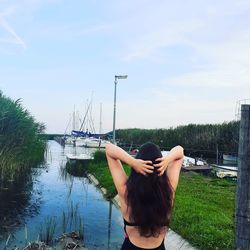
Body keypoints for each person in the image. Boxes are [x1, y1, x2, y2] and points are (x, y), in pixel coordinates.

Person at [105, 142, 184, 250]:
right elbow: (179, 150)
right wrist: (167, 160)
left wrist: (133, 162)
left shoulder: (126, 191)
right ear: (160, 167)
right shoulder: (168, 191)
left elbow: (109, 149)